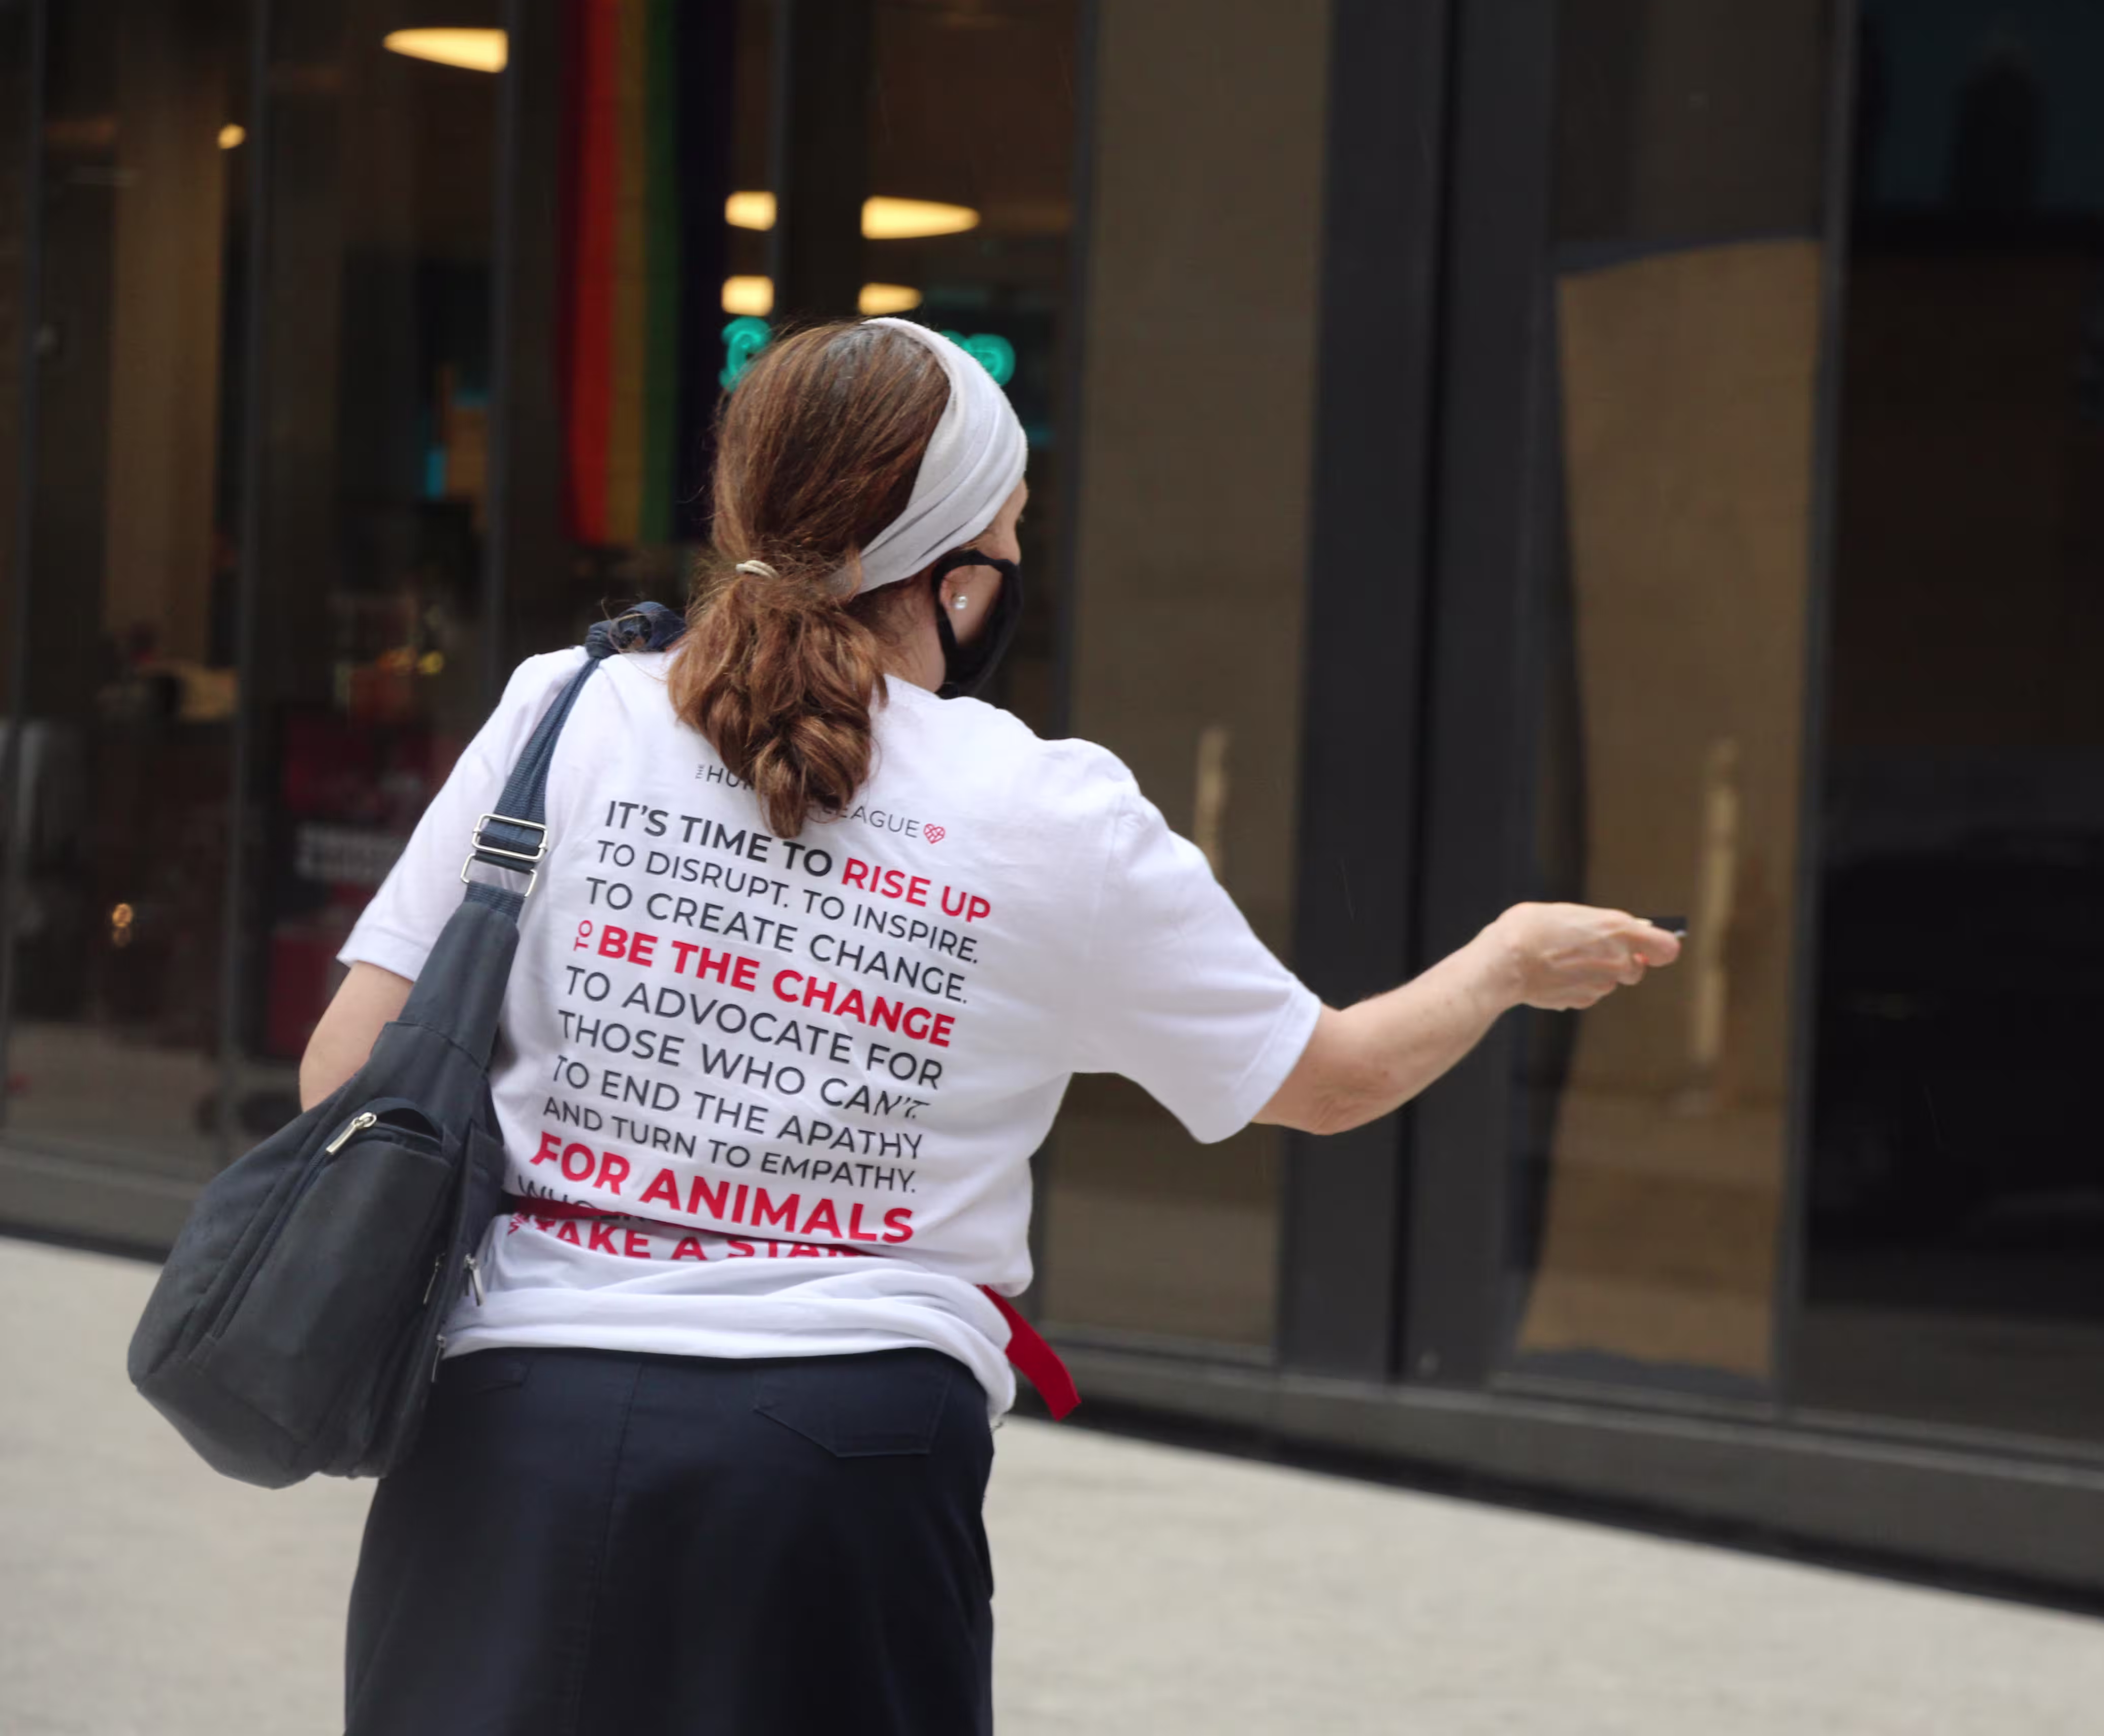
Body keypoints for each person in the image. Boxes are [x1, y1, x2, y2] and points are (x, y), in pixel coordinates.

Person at [298, 316, 1680, 1735]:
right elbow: (1326, 1082)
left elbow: (344, 1071)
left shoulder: (566, 712)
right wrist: (1506, 960)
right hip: (841, 1466)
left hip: (504, 1436)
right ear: (960, 575)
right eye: (1015, 528)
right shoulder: (1053, 810)